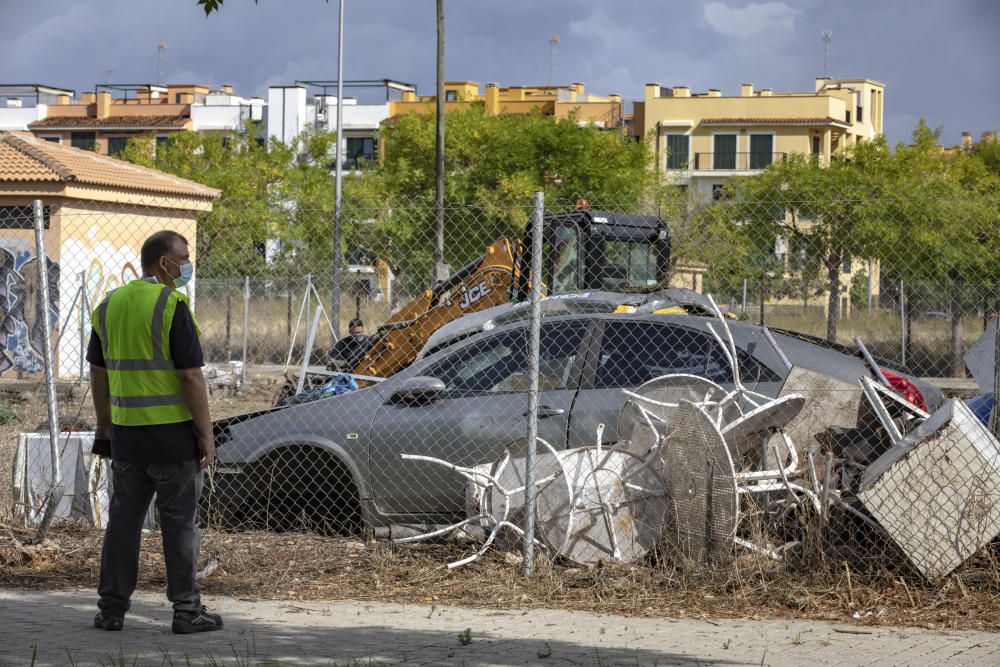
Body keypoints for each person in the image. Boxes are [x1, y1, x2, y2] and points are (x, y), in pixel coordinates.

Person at [88, 230, 223, 634]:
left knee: (123, 524)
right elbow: (190, 377)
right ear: (164, 263)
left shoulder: (109, 305)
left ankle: (111, 609)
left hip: (127, 437)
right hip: (172, 440)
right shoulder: (171, 304)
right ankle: (186, 611)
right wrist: (206, 434)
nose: (187, 265)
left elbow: (98, 372)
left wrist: (104, 424)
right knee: (179, 524)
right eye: (183, 258)